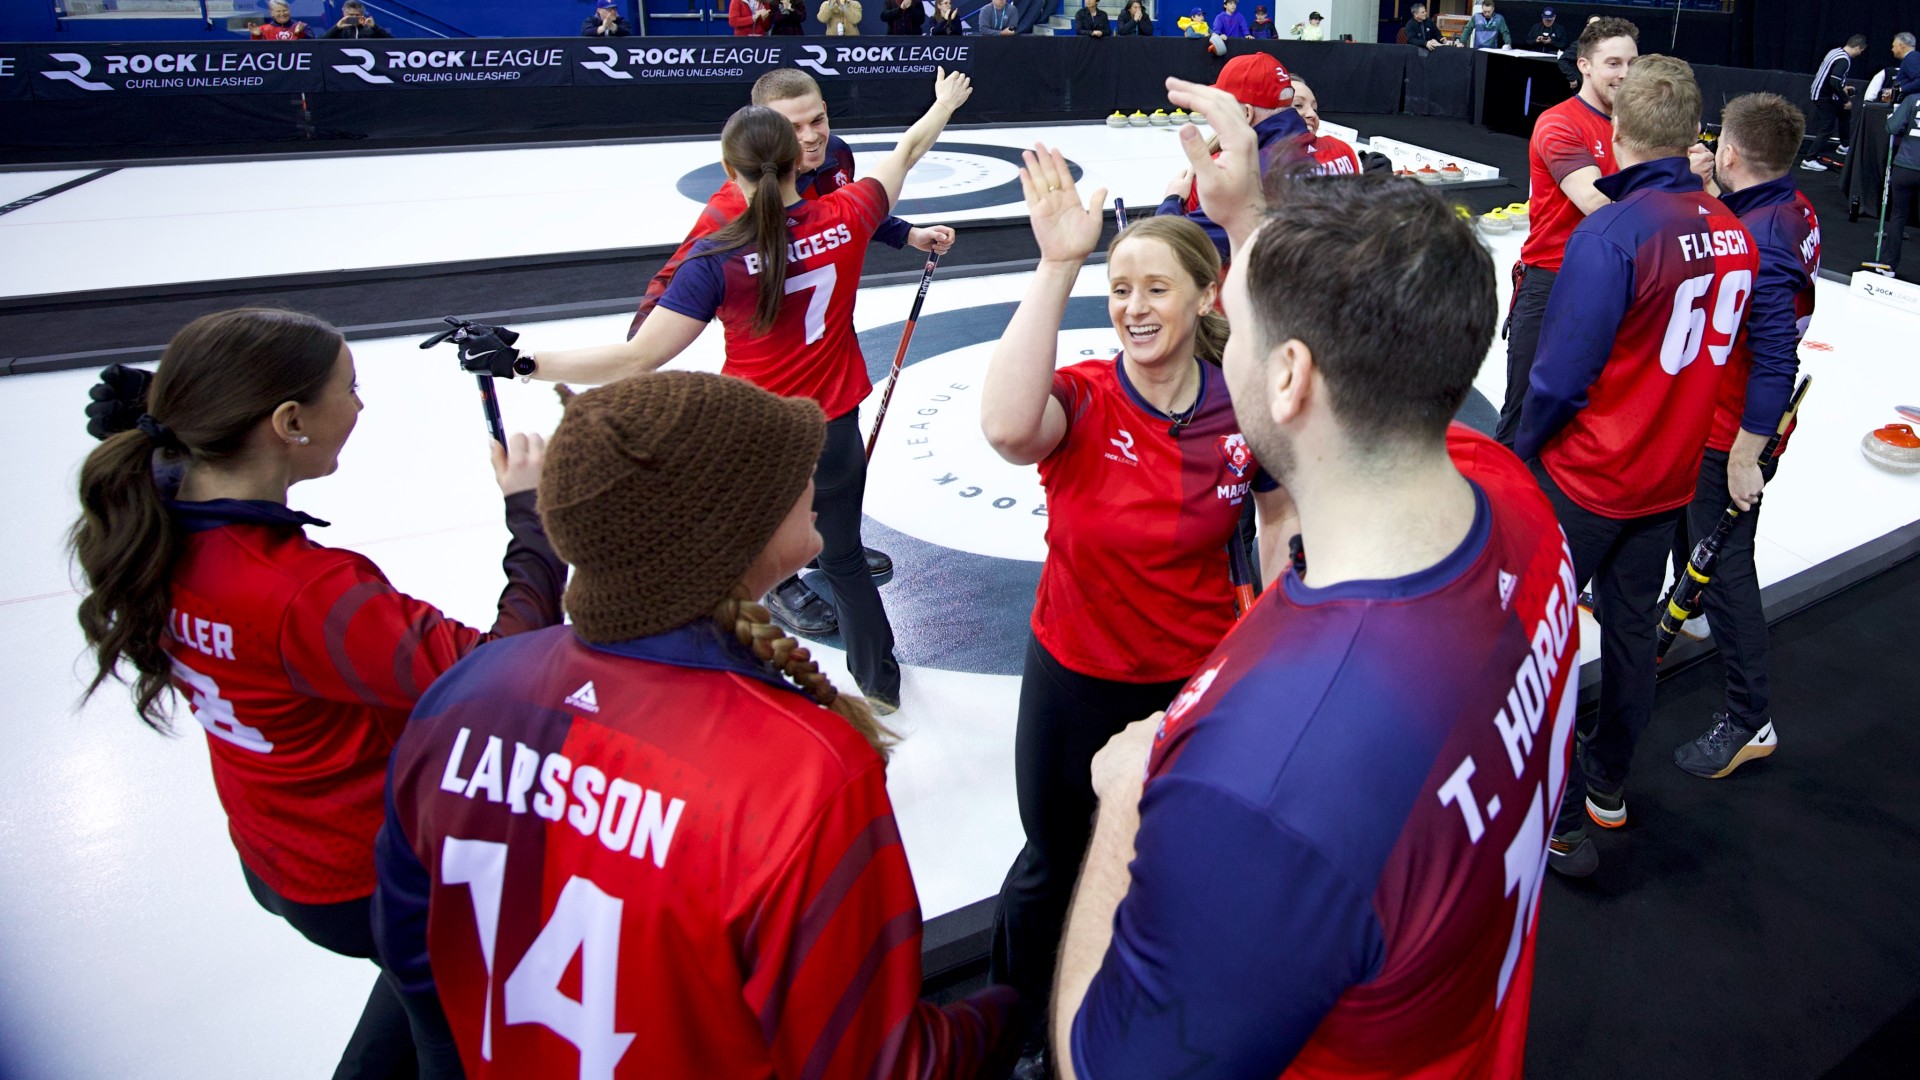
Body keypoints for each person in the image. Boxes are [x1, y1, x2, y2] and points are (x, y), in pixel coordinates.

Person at [1051, 74, 1581, 1080]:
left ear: (1290, 377)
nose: (1223, 348)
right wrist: (1245, 214)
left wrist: (1125, 801)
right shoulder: (1504, 490)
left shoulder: (1260, 787)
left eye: (1236, 328)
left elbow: (1102, 1065)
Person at [372, 372, 1020, 1079]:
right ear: (733, 531)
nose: (813, 478)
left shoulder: (464, 694)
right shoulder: (805, 772)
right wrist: (1011, 1012)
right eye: (788, 471)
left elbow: (411, 945)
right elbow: (876, 1065)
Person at [70, 309, 566, 1077]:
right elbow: (499, 675)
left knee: (414, 986)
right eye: (351, 389)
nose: (361, 407)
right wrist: (533, 520)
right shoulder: (301, 591)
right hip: (367, 870)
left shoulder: (157, 515)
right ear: (289, 421)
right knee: (456, 1040)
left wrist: (169, 417)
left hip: (281, 847)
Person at [459, 72, 976, 718]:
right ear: (796, 161)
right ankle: (882, 686)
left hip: (753, 430)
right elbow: (906, 153)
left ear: (732, 171)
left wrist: (522, 361)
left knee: (739, 558)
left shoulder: (719, 254)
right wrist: (943, 104)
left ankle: (740, 689)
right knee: (843, 559)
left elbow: (637, 355)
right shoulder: (847, 214)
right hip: (833, 421)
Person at [980, 154, 1291, 1078]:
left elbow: (1274, 517)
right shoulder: (1081, 396)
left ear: (1205, 298)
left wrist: (1272, 646)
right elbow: (1005, 429)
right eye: (1120, 289)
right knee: (1051, 861)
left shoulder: (1240, 404)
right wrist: (1056, 267)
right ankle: (1018, 1036)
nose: (1134, 306)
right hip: (1074, 671)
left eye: (1157, 287)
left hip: (1190, 682)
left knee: (1173, 864)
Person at [1516, 56, 1759, 877]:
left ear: (1615, 134)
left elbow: (1558, 377)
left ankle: (1546, 810)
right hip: (1665, 479)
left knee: (1539, 645)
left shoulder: (1614, 231)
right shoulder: (1733, 231)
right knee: (1628, 638)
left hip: (1590, 479)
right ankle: (1607, 787)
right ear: (1696, 136)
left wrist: (1521, 455)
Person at [623, 69, 953, 636]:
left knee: (829, 478)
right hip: (766, 380)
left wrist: (905, 233)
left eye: (818, 120)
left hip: (824, 368)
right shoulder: (729, 212)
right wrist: (644, 343)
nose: (810, 138)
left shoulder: (837, 156)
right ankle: (778, 584)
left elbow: (839, 207)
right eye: (792, 128)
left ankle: (830, 547)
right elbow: (675, 276)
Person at [1666, 93, 1818, 779]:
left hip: (1734, 430)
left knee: (1726, 568)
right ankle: (1691, 610)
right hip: (1721, 418)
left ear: (1730, 151)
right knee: (1696, 539)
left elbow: (1777, 351)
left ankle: (1749, 716)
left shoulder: (1764, 236)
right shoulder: (1791, 208)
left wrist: (1747, 452)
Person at [1494, 16, 1639, 447]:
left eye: (1633, 63)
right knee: (1525, 411)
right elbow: (1595, 203)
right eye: (1613, 63)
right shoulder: (1561, 122)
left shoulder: (1636, 128)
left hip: (1618, 284)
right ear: (1584, 65)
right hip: (1552, 280)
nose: (1626, 74)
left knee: (1593, 412)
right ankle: (1503, 507)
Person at [1156, 53, 1309, 261]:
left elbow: (1167, 248)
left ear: (1246, 114)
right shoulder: (1339, 151)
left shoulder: (1248, 177)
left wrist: (1171, 200)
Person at [1799, 35, 1865, 171]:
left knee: (1844, 113)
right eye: (1861, 51)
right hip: (1823, 96)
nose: (1860, 54)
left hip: (1824, 92)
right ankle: (1809, 159)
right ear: (1858, 47)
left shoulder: (1835, 51)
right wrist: (1845, 99)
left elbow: (1831, 77)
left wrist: (1843, 88)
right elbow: (1834, 81)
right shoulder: (1844, 60)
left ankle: (1844, 145)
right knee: (1827, 128)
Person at [1878, 81, 1920, 277]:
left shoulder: (1912, 99)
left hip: (1905, 166)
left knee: (1898, 216)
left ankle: (1889, 265)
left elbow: (1892, 127)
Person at [1291, 77, 1362, 176]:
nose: (1312, 114)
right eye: (1298, 105)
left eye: (1314, 109)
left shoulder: (1340, 150)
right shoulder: (1264, 163)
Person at [1558, 14, 1600, 88]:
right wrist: (1573, 78)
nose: (1595, 27)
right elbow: (1563, 60)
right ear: (1588, 26)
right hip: (1584, 86)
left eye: (1598, 24)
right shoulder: (1580, 44)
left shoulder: (1606, 44)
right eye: (1593, 24)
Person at [323, 1, 392, 39]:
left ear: (362, 15)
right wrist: (337, 27)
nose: (354, 17)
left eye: (357, 15)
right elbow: (318, 43)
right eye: (351, 15)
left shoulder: (369, 29)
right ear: (344, 13)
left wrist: (374, 27)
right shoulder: (339, 30)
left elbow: (392, 42)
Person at [1895, 32, 1920, 98]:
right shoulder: (1915, 57)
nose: (1892, 49)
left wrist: (1900, 90)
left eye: (1894, 46)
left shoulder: (1911, 57)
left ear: (1901, 45)